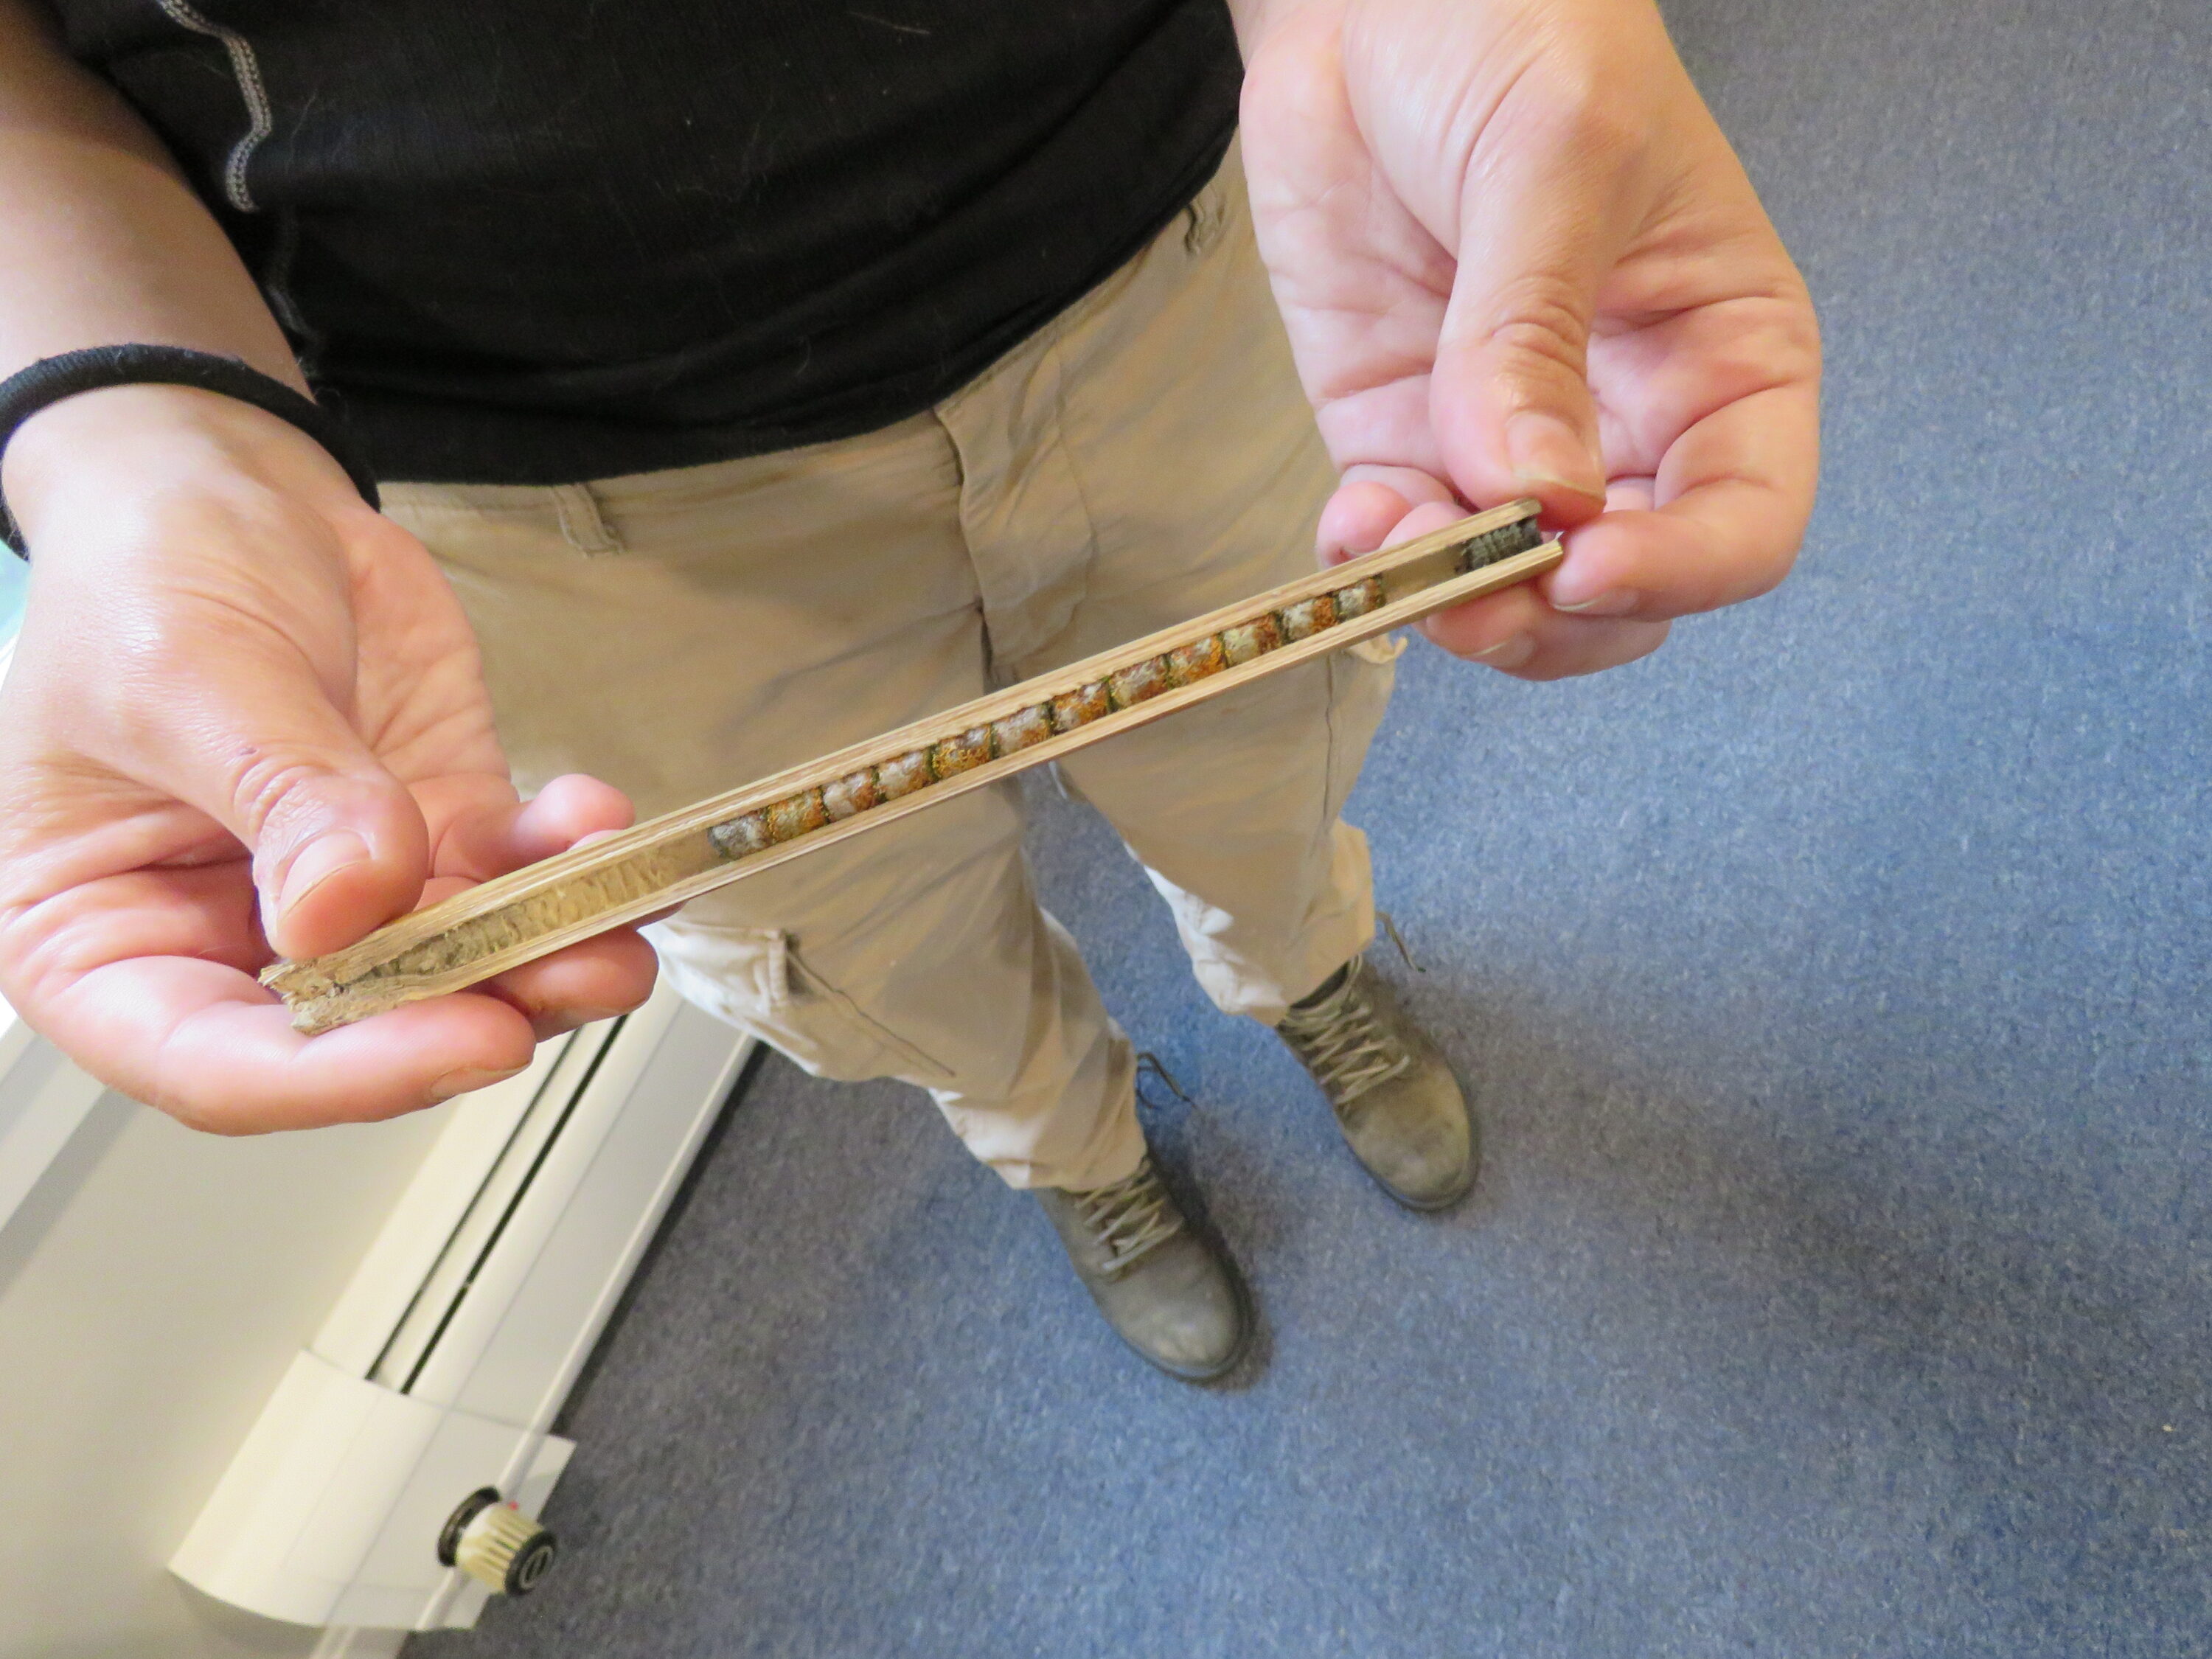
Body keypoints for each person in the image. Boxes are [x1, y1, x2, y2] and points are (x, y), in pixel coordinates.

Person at [0, 0, 1818, 1380]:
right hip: (548, 474)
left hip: (1160, 233)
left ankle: (1306, 975)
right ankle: (1073, 1148)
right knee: (869, 943)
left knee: (1267, 745)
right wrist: (138, 446)